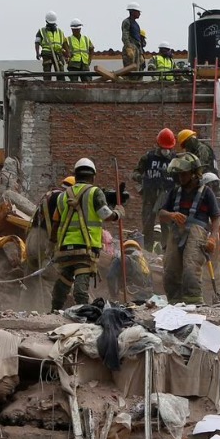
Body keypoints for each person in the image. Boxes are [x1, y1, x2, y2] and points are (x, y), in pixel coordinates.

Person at [50, 157, 118, 310]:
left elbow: (55, 223)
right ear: (93, 176)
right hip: (86, 248)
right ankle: (84, 315)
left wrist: (52, 245)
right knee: (81, 287)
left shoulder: (62, 196)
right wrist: (118, 213)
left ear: (76, 175)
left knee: (64, 280)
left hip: (65, 248)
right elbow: (105, 214)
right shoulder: (95, 192)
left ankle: (54, 311)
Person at [158, 154, 219, 304]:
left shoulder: (207, 193)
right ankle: (174, 304)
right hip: (176, 233)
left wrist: (213, 238)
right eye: (179, 174)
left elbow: (216, 218)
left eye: (184, 174)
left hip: (196, 234)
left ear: (194, 173)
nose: (181, 177)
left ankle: (194, 304)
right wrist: (172, 215)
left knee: (191, 271)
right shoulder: (174, 192)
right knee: (170, 271)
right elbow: (161, 213)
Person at [133, 129, 177, 248]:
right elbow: (135, 173)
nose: (166, 150)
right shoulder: (148, 157)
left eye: (168, 147)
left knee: (166, 225)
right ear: (158, 144)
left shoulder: (175, 159)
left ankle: (166, 250)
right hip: (150, 196)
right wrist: (141, 178)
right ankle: (147, 250)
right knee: (147, 224)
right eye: (163, 147)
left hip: (167, 198)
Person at [35, 12, 65, 78]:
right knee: (47, 72)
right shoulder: (41, 31)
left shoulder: (60, 32)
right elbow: (37, 42)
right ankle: (47, 83)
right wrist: (37, 53)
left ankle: (61, 83)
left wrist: (65, 55)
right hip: (47, 54)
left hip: (58, 54)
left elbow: (64, 43)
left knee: (61, 73)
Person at [121, 4, 147, 72]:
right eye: (138, 12)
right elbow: (125, 35)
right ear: (132, 12)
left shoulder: (136, 25)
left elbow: (138, 41)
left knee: (137, 70)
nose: (139, 14)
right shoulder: (127, 22)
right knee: (130, 70)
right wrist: (128, 47)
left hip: (137, 50)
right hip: (131, 48)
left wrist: (141, 53)